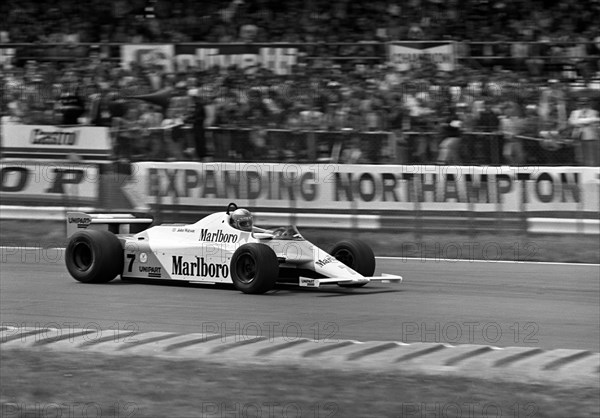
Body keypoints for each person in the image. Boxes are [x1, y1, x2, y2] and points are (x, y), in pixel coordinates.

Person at [569, 97, 600, 166]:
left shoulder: (594, 112)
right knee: (579, 157)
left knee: (591, 156)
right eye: (581, 103)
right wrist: (587, 121)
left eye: (585, 103)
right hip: (578, 137)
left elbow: (596, 120)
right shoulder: (574, 112)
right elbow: (572, 122)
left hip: (590, 138)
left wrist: (580, 121)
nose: (583, 105)